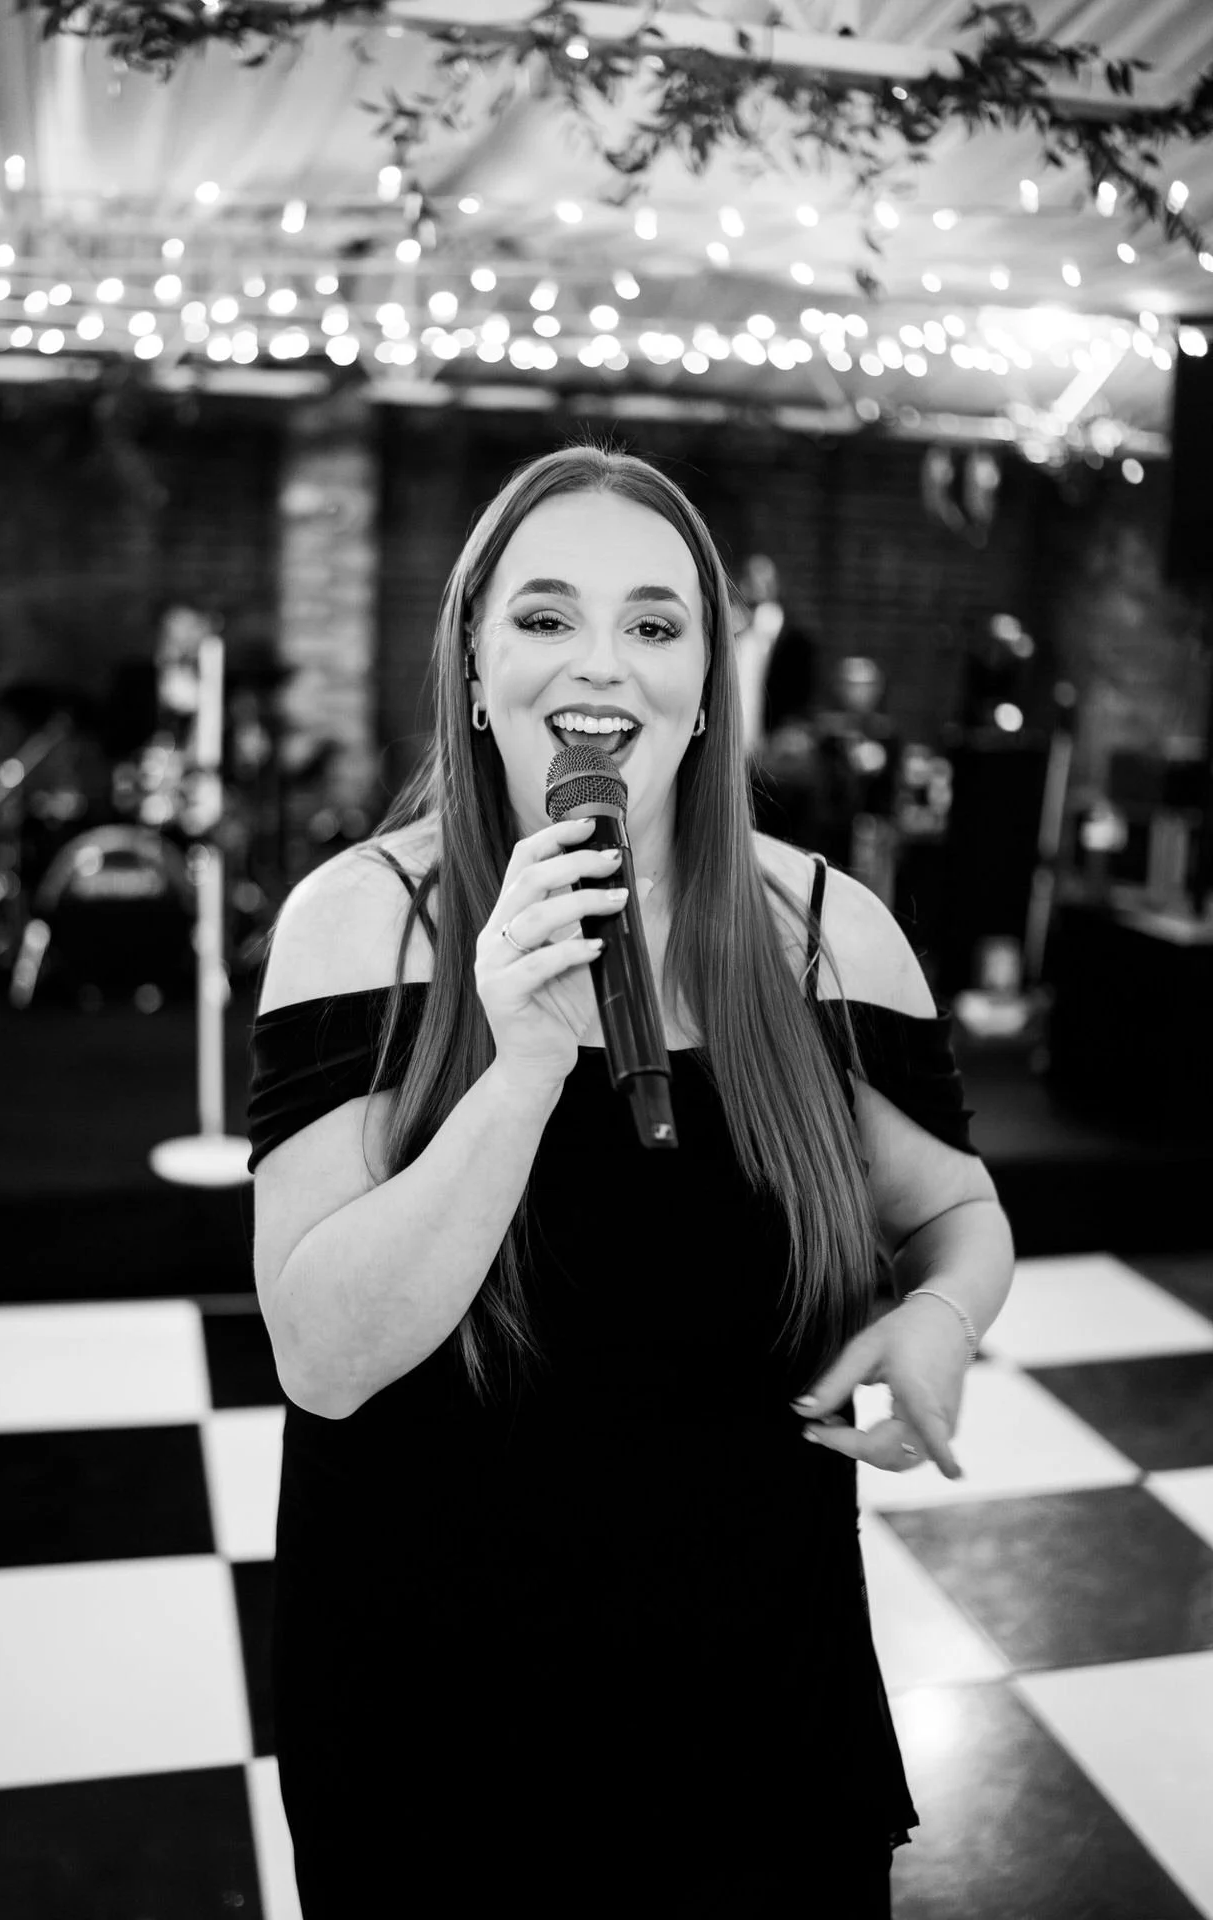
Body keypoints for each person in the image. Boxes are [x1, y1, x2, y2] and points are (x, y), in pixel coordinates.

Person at [247, 445, 1016, 1916]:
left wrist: (942, 1321)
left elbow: (955, 1215)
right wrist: (523, 1065)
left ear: (709, 685)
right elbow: (324, 1359)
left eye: (657, 625)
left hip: (757, 1712)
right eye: (543, 619)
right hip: (439, 1736)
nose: (600, 664)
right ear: (474, 667)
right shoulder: (359, 925)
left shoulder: (824, 935)